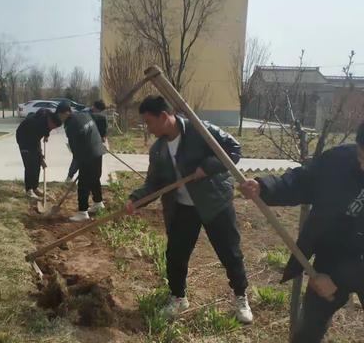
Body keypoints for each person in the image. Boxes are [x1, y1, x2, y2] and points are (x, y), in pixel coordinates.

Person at [239, 123, 364, 343]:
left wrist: (341, 279)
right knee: (308, 329)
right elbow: (304, 180)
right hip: (332, 256)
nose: (362, 165)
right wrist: (265, 186)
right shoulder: (340, 161)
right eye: (360, 157)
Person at [125, 95, 253, 322]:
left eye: (149, 122)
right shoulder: (158, 149)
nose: (148, 128)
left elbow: (234, 150)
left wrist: (208, 166)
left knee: (229, 252)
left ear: (164, 117)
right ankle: (178, 297)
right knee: (175, 254)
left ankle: (241, 296)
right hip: (182, 206)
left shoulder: (200, 130)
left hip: (214, 201)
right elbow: (154, 183)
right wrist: (136, 199)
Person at [55, 101, 106, 222]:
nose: (59, 118)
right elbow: (101, 118)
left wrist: (79, 162)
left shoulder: (70, 124)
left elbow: (74, 147)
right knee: (94, 178)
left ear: (65, 113)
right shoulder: (83, 114)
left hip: (88, 153)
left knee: (83, 183)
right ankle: (98, 203)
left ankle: (83, 212)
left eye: (59, 115)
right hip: (99, 150)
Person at [16, 108, 62, 199]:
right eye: (53, 127)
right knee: (30, 164)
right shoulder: (37, 125)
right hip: (24, 138)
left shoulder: (47, 115)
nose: (52, 129)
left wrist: (46, 135)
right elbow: (35, 144)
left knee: (36, 163)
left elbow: (42, 112)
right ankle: (29, 190)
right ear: (50, 121)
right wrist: (41, 158)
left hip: (32, 138)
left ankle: (35, 187)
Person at [67, 100, 108, 181]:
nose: (99, 113)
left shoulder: (102, 117)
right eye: (98, 110)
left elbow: (104, 131)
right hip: (82, 143)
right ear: (94, 107)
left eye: (100, 111)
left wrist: (103, 138)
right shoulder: (84, 114)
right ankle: (69, 177)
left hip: (95, 143)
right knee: (78, 160)